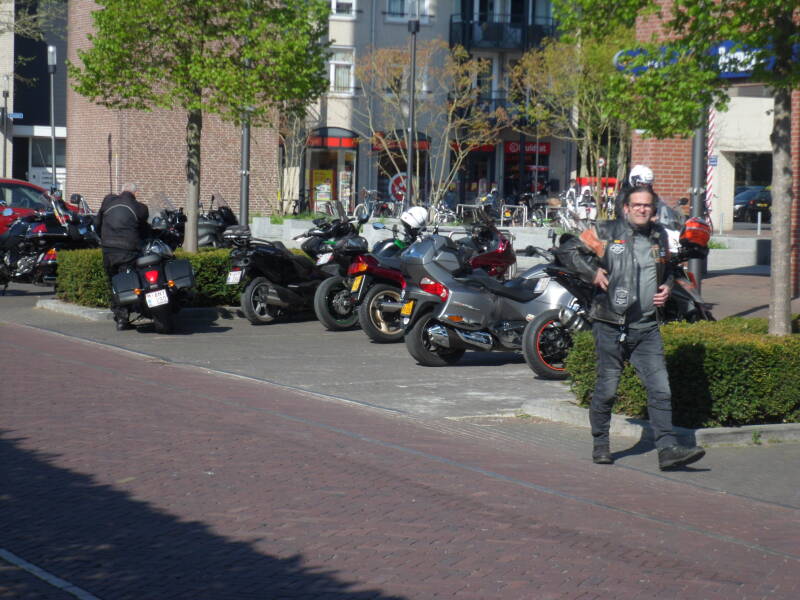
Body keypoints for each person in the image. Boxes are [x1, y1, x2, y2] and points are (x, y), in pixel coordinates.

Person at [556, 183, 706, 470]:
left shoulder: (659, 236)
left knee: (661, 389)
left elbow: (668, 268)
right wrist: (592, 271)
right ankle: (601, 444)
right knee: (608, 388)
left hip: (646, 327)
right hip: (610, 324)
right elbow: (568, 250)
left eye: (646, 205)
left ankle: (667, 450)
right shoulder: (606, 231)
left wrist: (667, 285)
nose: (642, 209)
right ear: (626, 208)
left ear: (653, 209)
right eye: (636, 204)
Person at [94, 183, 151, 330]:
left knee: (114, 282)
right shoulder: (140, 208)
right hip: (128, 251)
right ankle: (127, 313)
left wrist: (103, 239)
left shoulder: (108, 202)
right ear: (135, 194)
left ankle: (120, 317)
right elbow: (144, 230)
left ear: (121, 191)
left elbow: (97, 224)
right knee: (129, 282)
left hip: (108, 250)